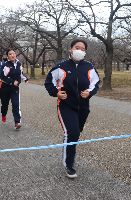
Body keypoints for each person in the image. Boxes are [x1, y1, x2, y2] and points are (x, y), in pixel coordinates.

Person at [44, 39, 100, 178]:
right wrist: (56, 92)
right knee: (72, 133)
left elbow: (96, 82)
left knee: (76, 132)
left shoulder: (89, 66)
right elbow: (48, 82)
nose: (79, 51)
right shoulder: (61, 66)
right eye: (77, 47)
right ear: (70, 49)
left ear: (85, 52)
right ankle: (69, 164)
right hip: (66, 106)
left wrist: (90, 92)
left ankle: (70, 149)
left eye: (82, 49)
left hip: (83, 107)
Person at [0, 49, 28, 130]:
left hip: (15, 88)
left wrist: (25, 79)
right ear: (7, 56)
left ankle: (17, 122)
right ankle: (3, 114)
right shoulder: (5, 65)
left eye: (13, 53)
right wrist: (11, 82)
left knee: (16, 104)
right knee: (5, 104)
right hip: (4, 88)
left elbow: (20, 73)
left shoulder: (18, 64)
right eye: (10, 54)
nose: (12, 55)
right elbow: (1, 76)